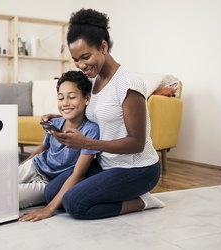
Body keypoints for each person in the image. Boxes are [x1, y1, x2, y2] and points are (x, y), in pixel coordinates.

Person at [36, 8, 165, 221]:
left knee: (74, 204)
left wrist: (87, 144)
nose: (81, 65)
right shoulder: (93, 82)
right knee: (51, 192)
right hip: (106, 164)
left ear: (103, 46)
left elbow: (137, 143)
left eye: (86, 56)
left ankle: (142, 201)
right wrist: (57, 117)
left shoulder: (128, 83)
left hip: (137, 169)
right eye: (76, 59)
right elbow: (91, 116)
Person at [18, 70, 100, 220]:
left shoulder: (91, 130)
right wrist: (23, 165)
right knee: (0, 181)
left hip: (48, 182)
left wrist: (48, 210)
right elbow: (43, 148)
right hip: (34, 166)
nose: (65, 103)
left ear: (86, 98)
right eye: (61, 98)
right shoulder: (54, 122)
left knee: (9, 197)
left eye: (72, 97)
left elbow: (79, 174)